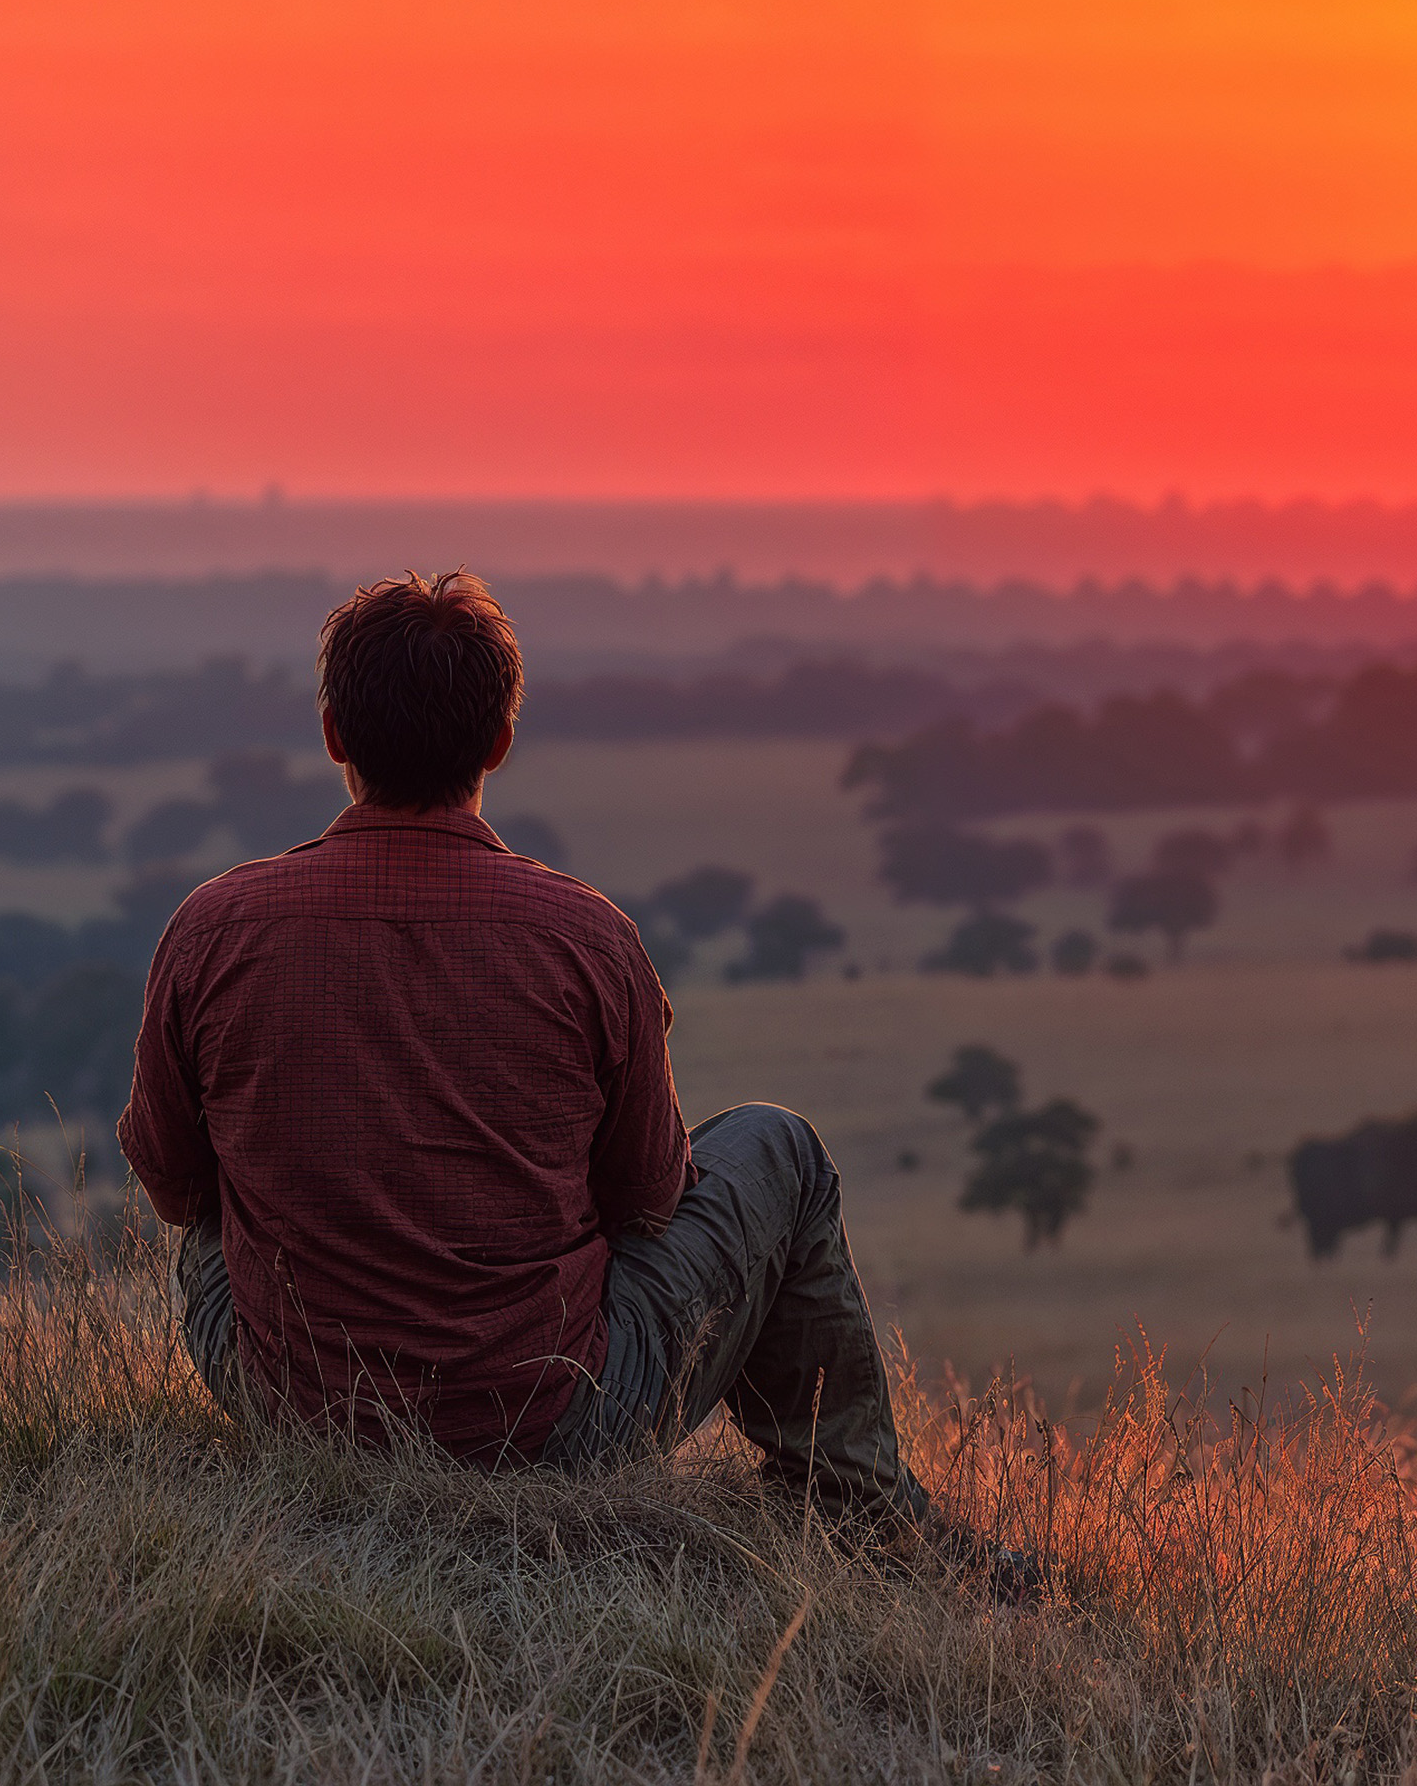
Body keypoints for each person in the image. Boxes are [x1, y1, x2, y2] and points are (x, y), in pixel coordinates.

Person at [117, 570, 1020, 1585]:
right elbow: (648, 1202)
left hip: (293, 1407)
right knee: (781, 1148)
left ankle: (857, 1512)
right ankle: (865, 1515)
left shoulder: (213, 928)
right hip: (554, 1424)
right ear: (501, 740)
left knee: (213, 1196)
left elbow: (173, 1187)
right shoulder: (587, 937)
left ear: (334, 733)